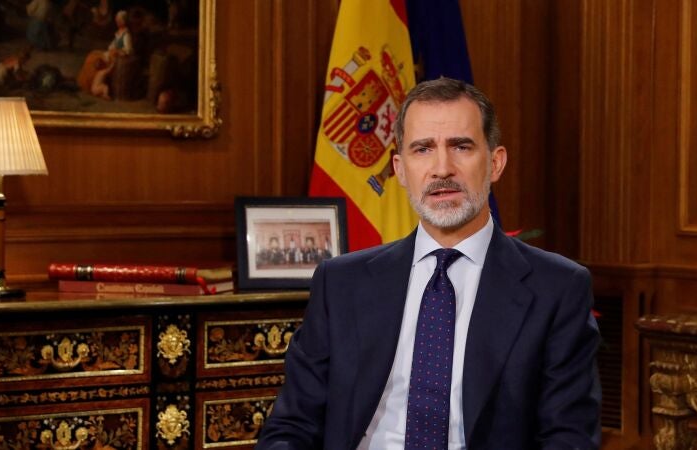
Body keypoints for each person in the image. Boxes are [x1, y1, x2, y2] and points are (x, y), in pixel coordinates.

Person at [255, 77, 601, 449]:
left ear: (496, 163)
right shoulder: (340, 283)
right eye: (423, 149)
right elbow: (291, 427)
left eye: (461, 146)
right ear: (400, 170)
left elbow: (569, 438)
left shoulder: (557, 288)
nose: (441, 169)